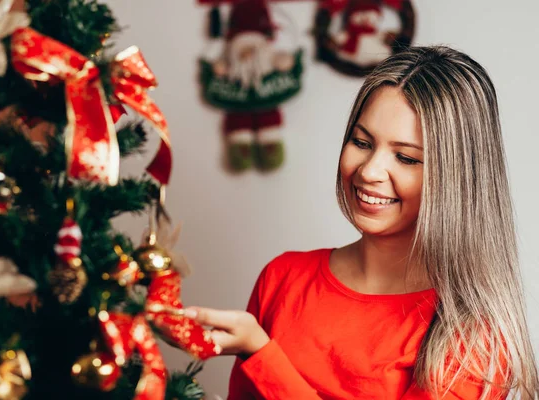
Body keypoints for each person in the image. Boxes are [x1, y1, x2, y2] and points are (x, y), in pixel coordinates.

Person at [184, 46, 539, 399]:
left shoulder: (471, 332)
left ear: (458, 177)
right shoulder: (282, 277)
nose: (369, 171)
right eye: (361, 142)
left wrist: (261, 354)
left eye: (406, 158)